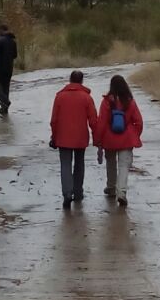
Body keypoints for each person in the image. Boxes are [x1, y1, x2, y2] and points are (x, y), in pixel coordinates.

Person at [49, 70, 98, 210]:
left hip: (63, 137)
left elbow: (54, 120)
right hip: (80, 137)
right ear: (82, 81)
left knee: (65, 164)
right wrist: (97, 137)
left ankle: (67, 193)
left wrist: (54, 136)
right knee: (79, 164)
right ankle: (78, 192)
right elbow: (93, 121)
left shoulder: (60, 97)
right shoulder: (86, 98)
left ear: (70, 80)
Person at [95, 73, 144, 209]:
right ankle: (121, 192)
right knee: (124, 166)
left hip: (109, 139)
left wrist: (98, 140)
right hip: (126, 139)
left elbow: (101, 122)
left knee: (110, 163)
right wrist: (135, 135)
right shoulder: (130, 101)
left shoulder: (106, 102)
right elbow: (138, 122)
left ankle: (111, 187)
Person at [0, 22, 18, 115]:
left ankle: (5, 102)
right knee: (6, 88)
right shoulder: (13, 41)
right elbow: (15, 55)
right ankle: (4, 109)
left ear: (1, 30)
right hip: (9, 68)